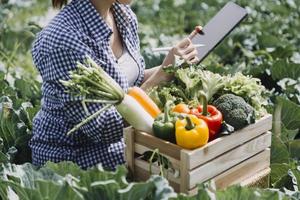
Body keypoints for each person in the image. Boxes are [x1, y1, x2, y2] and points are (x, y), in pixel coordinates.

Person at [30, 0, 200, 170]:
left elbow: (131, 83)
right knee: (177, 163)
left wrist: (175, 67)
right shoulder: (63, 41)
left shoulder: (122, 15)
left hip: (120, 139)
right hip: (73, 157)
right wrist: (164, 73)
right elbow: (103, 127)